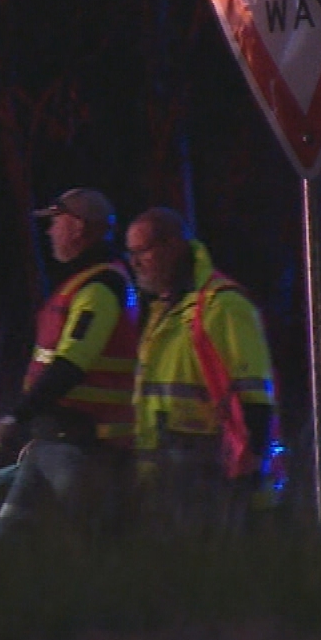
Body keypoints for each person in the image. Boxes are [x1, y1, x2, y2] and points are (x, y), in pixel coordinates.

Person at [0, 188, 140, 534]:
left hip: (85, 447)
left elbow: (70, 366)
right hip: (56, 441)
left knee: (77, 546)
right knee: (13, 540)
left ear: (79, 227)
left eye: (56, 221)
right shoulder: (84, 284)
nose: (50, 231)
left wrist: (14, 418)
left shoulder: (101, 288)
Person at [125, 207, 280, 528]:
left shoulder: (223, 306)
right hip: (162, 475)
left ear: (172, 247)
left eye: (143, 251)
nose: (134, 263)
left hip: (206, 474)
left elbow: (255, 402)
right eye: (131, 253)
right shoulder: (164, 309)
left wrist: (246, 478)